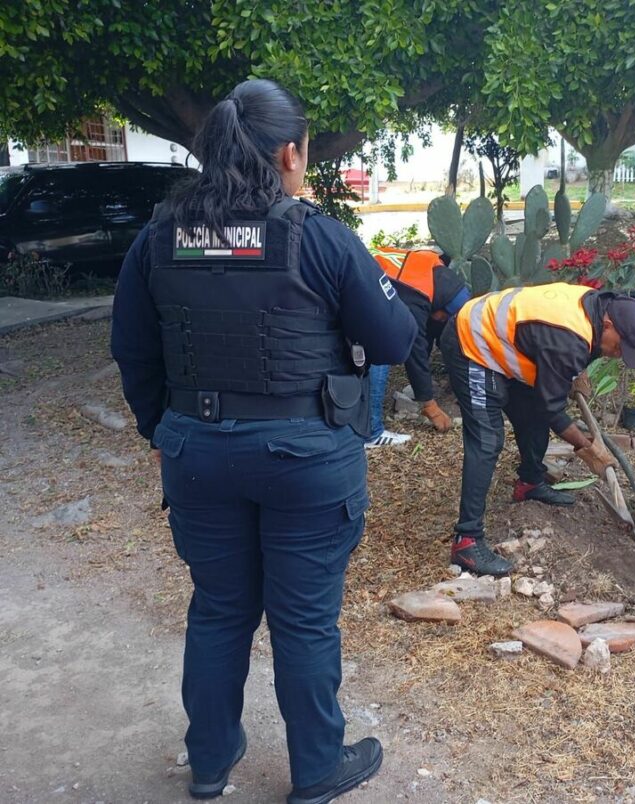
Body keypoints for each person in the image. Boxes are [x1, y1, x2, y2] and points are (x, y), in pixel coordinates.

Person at [110, 79, 417, 803]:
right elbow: (395, 337)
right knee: (304, 619)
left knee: (218, 608)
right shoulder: (319, 236)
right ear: (290, 154)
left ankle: (211, 764)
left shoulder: (158, 237)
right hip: (306, 459)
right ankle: (316, 769)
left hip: (198, 454)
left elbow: (132, 350)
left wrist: (162, 430)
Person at [439, 282, 635, 576]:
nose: (619, 354)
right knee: (487, 439)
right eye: (620, 346)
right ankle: (467, 541)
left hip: (510, 344)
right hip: (472, 341)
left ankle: (529, 483)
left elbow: (555, 376)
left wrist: (575, 372)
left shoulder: (596, 305)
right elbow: (552, 407)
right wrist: (588, 448)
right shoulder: (567, 339)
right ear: (608, 323)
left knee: (532, 415)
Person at [363, 246, 472, 448]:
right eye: (446, 318)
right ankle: (372, 432)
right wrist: (430, 405)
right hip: (351, 289)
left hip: (361, 279)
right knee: (380, 349)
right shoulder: (416, 297)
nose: (442, 321)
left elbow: (429, 332)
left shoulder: (435, 274)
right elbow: (416, 348)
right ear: (445, 309)